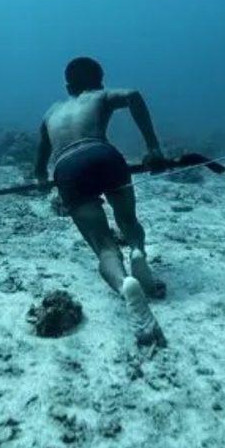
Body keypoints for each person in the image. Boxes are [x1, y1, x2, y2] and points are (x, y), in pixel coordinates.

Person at [34, 56, 168, 348]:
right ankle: (137, 253)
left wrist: (41, 179)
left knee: (103, 244)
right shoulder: (101, 95)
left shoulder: (51, 112)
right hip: (105, 156)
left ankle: (125, 285)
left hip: (67, 167)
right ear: (100, 80)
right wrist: (153, 148)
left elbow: (40, 163)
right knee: (128, 220)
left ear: (67, 84)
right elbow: (132, 95)